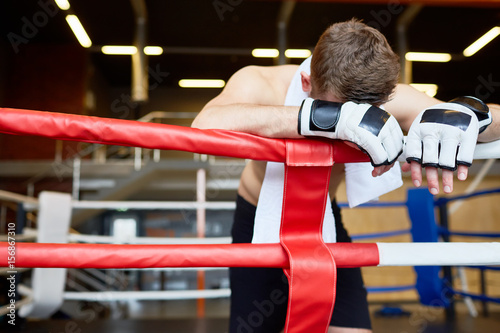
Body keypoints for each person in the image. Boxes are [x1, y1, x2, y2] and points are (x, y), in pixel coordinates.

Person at [192, 19, 500, 333]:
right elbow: (205, 124)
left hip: (321, 219)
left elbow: (495, 120)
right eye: (336, 106)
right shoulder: (260, 82)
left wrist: (469, 113)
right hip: (258, 218)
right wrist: (320, 119)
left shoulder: (391, 99)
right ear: (305, 82)